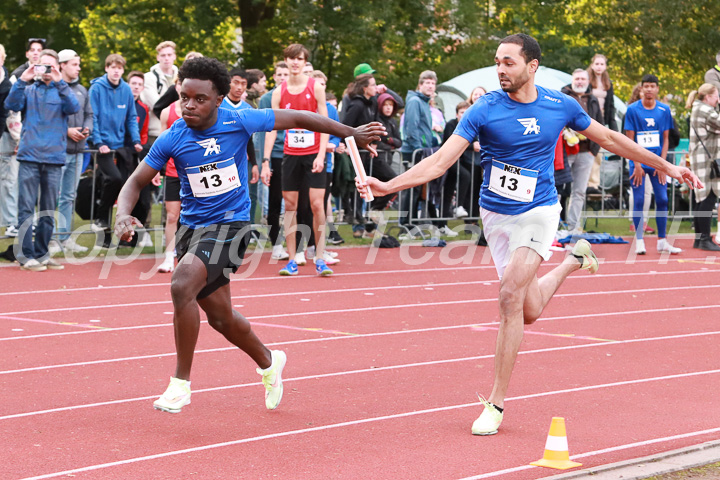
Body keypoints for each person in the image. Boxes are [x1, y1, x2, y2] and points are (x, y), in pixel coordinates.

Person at [356, 33, 701, 436]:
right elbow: (438, 162)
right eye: (497, 62)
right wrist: (389, 185)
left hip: (539, 210)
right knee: (529, 310)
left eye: (509, 62)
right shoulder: (483, 109)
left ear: (531, 65)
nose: (500, 69)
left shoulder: (560, 105)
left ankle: (496, 403)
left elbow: (608, 138)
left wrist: (666, 165)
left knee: (508, 299)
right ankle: (574, 260)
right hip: (496, 216)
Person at [113, 57, 383, 413]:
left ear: (220, 98)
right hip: (193, 230)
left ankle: (180, 384)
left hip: (231, 226)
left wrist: (350, 133)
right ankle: (270, 362)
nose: (190, 105)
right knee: (222, 318)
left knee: (181, 285)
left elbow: (299, 118)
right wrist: (122, 216)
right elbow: (135, 181)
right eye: (184, 97)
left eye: (200, 99)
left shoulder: (239, 120)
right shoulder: (174, 136)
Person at [5, 49, 80, 271]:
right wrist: (22, 79)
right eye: (43, 66)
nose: (46, 71)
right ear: (35, 66)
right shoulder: (27, 89)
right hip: (29, 156)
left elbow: (74, 108)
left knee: (48, 209)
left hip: (54, 158)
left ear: (57, 67)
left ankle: (42, 253)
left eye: (51, 66)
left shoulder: (63, 90)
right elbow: (11, 104)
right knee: (26, 208)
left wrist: (60, 82)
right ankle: (25, 255)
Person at [262, 44, 333, 276]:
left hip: (313, 154)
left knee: (316, 205)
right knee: (290, 207)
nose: (295, 63)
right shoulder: (278, 92)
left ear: (305, 62)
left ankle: (320, 257)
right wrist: (265, 160)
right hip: (290, 155)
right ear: (286, 60)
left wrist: (321, 154)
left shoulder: (316, 88)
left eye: (299, 59)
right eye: (291, 59)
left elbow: (324, 124)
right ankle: (292, 260)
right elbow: (272, 128)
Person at [624, 74, 681, 255]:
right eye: (646, 86)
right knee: (639, 200)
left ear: (657, 89)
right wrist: (637, 164)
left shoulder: (664, 110)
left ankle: (662, 241)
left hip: (657, 162)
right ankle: (639, 239)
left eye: (652, 86)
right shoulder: (632, 110)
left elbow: (665, 139)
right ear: (641, 89)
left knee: (663, 199)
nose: (649, 89)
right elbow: (629, 140)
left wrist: (662, 164)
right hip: (638, 163)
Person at [88, 54, 142, 239]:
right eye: (112, 67)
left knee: (122, 185)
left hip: (119, 144)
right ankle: (100, 218)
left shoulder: (126, 89)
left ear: (123, 70)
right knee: (114, 178)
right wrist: (99, 141)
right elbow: (92, 116)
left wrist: (136, 140)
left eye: (119, 67)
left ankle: (108, 234)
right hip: (102, 144)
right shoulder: (96, 88)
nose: (116, 70)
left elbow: (130, 118)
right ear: (106, 68)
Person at [54, 49, 93, 254]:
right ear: (62, 65)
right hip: (58, 151)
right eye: (75, 64)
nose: (78, 68)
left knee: (69, 196)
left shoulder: (82, 90)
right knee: (53, 196)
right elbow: (49, 119)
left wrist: (87, 129)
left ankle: (65, 237)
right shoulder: (53, 87)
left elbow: (89, 114)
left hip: (79, 151)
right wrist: (66, 131)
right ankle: (52, 239)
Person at [560, 69, 604, 233]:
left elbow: (600, 123)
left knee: (579, 191)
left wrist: (594, 149)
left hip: (587, 152)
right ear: (572, 80)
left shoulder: (592, 99)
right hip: (565, 152)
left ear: (587, 81)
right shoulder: (563, 96)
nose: (579, 81)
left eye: (582, 79)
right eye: (577, 78)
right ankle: (552, 226)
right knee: (557, 189)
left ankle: (573, 227)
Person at [256, 61, 290, 261]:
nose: (283, 77)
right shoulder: (266, 99)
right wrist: (264, 162)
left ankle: (301, 243)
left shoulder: (296, 96)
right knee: (275, 201)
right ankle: (276, 243)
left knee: (297, 202)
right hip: (275, 154)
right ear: (275, 77)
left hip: (296, 153)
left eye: (286, 74)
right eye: (280, 74)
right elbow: (262, 132)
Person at [399, 70, 438, 228]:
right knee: (411, 187)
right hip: (413, 151)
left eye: (433, 83)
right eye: (427, 82)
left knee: (418, 188)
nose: (430, 86)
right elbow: (411, 127)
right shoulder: (415, 101)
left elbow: (424, 128)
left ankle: (412, 223)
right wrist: (418, 149)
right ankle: (405, 224)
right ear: (420, 85)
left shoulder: (424, 101)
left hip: (423, 148)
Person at [686, 84, 720, 251]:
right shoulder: (706, 111)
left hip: (701, 158)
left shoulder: (698, 108)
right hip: (706, 160)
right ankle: (705, 238)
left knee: (701, 198)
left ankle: (700, 239)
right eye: (716, 97)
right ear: (707, 97)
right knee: (708, 197)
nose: (718, 100)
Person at [141, 41, 178, 145]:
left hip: (178, 132)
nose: (166, 58)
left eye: (169, 55)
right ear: (158, 57)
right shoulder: (148, 78)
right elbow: (157, 105)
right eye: (163, 55)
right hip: (155, 132)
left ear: (174, 56)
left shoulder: (181, 78)